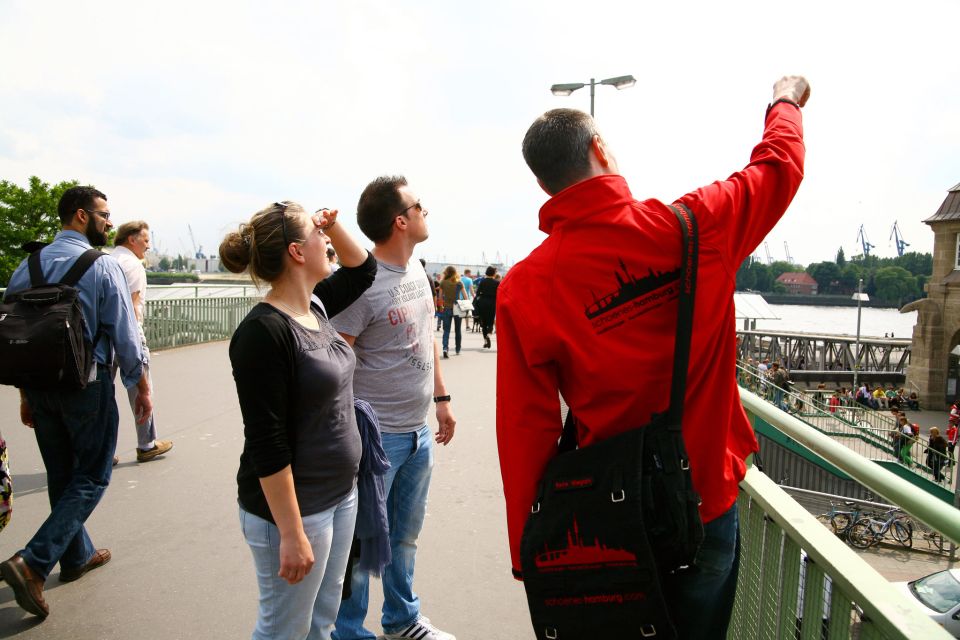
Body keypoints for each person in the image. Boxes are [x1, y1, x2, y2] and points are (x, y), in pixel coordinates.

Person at [496, 76, 810, 639]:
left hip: (605, 512)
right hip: (705, 499)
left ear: (544, 185)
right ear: (601, 151)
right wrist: (784, 103)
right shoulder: (694, 228)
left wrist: (532, 549)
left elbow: (526, 430)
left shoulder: (524, 287)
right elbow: (777, 166)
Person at [221, 200, 376, 640]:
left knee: (322, 621)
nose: (326, 239)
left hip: (340, 496)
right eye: (317, 233)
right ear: (295, 251)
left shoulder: (316, 306)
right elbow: (266, 441)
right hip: (295, 514)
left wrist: (333, 223)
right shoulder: (262, 332)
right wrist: (291, 534)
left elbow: (364, 270)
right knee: (283, 630)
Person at [1, 186, 151, 619]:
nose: (109, 221)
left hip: (40, 387)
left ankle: (76, 556)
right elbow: (124, 332)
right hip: (87, 384)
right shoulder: (102, 266)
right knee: (92, 475)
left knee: (62, 475)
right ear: (82, 216)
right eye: (104, 214)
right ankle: (32, 562)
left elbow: (18, 338)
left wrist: (26, 395)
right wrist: (139, 384)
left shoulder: (24, 266)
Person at [332, 175, 457, 640]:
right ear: (400, 221)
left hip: (419, 432)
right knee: (364, 545)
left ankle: (402, 620)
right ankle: (347, 631)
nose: (426, 210)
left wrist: (441, 400)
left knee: (404, 537)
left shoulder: (417, 271)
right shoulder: (362, 287)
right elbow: (334, 367)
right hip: (375, 439)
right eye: (418, 205)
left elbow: (426, 340)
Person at [112, 220, 174, 463]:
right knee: (140, 391)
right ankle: (146, 444)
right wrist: (138, 340)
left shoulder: (105, 260)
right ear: (132, 239)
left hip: (102, 341)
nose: (148, 246)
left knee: (103, 396)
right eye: (146, 240)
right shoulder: (133, 265)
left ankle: (104, 452)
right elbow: (133, 308)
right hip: (128, 337)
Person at [438, 265, 467, 358]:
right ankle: (458, 349)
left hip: (447, 308)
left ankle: (445, 348)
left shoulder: (443, 283)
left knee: (446, 330)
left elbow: (439, 298)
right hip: (457, 308)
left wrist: (441, 307)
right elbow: (466, 297)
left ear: (446, 272)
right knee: (458, 330)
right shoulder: (459, 283)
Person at [473, 265, 499, 349]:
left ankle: (485, 341)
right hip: (492, 303)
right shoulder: (497, 283)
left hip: (482, 303)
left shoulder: (482, 282)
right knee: (490, 321)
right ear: (494, 273)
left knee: (483, 322)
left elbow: (477, 293)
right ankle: (489, 334)